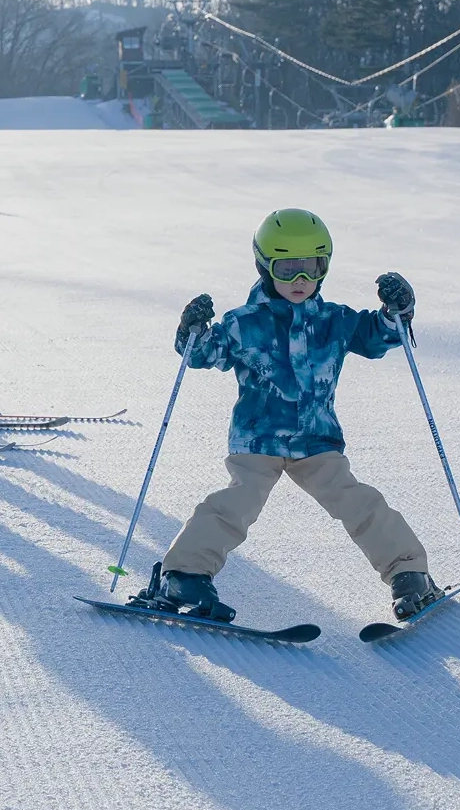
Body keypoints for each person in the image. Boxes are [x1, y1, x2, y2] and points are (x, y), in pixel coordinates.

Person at [134, 208, 441, 622]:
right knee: (233, 505)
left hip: (317, 441)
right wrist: (193, 332)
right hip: (258, 440)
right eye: (287, 268)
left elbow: (379, 336)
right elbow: (205, 354)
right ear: (264, 266)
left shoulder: (335, 320)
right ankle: (183, 575)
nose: (301, 280)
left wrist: (397, 312)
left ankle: (408, 573)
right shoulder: (245, 323)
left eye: (312, 268)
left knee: (359, 503)